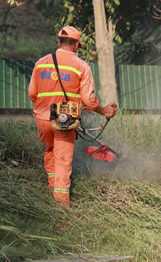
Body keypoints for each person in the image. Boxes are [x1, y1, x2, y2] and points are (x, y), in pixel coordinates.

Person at [28, 26, 117, 205]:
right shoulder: (81, 66)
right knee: (63, 161)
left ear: (59, 42)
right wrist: (104, 110)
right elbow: (88, 101)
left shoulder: (41, 63)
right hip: (64, 120)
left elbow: (32, 93)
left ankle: (51, 189)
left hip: (42, 119)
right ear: (77, 44)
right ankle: (61, 208)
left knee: (51, 151)